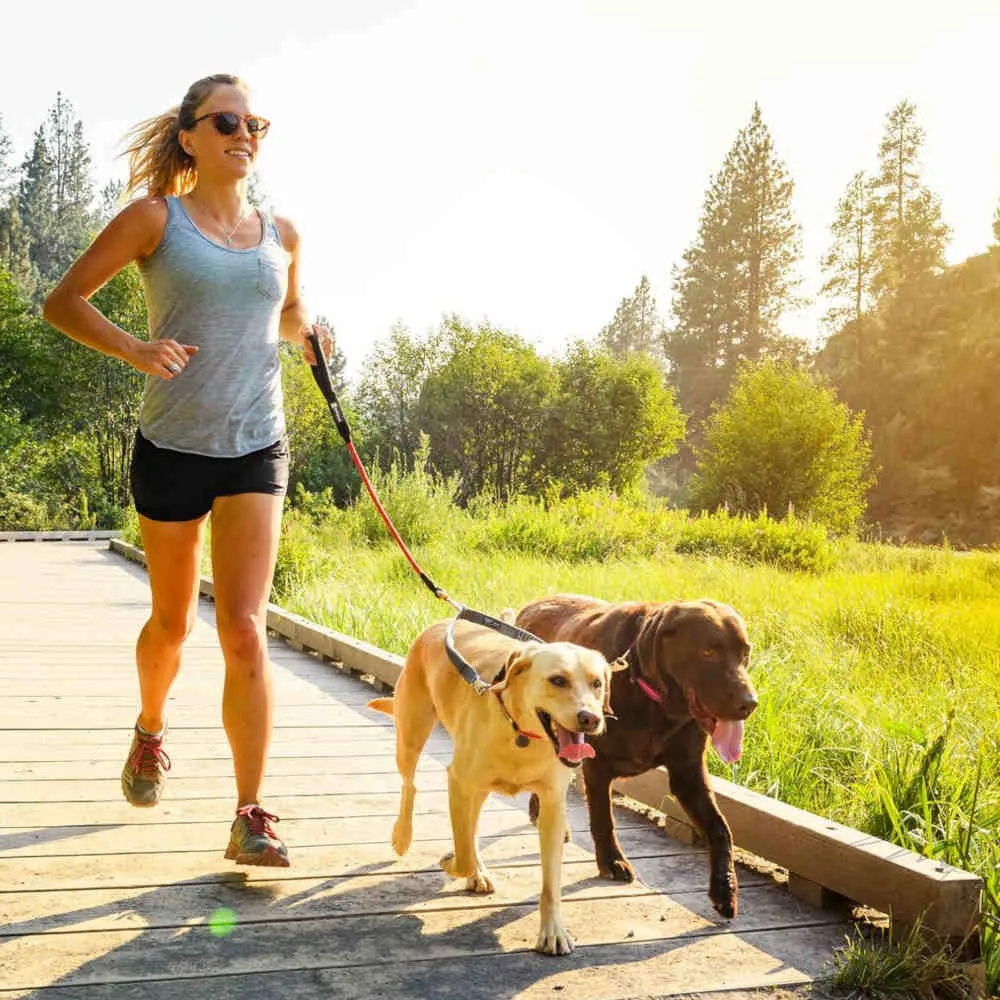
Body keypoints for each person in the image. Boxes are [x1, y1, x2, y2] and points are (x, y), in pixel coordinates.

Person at [43, 73, 332, 868]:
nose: (247, 133)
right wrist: (135, 348)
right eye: (229, 121)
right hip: (172, 446)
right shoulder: (153, 220)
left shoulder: (284, 233)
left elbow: (287, 312)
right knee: (172, 624)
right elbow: (62, 302)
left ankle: (251, 812)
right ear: (192, 136)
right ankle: (149, 730)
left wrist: (309, 332)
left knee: (244, 628)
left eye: (257, 122)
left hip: (256, 444)